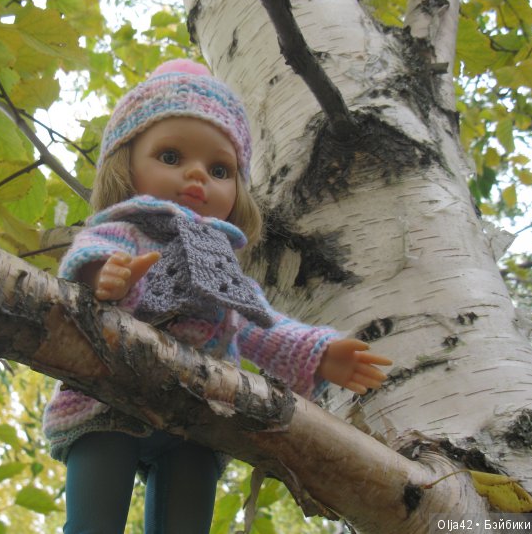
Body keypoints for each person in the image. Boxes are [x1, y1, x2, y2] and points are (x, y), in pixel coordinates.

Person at [43, 59, 391, 534]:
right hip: (109, 397)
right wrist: (108, 278)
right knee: (93, 523)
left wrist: (316, 353)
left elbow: (254, 324)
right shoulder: (124, 230)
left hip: (197, 410)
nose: (196, 177)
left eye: (219, 168)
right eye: (170, 157)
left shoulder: (219, 261)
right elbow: (88, 266)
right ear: (126, 162)